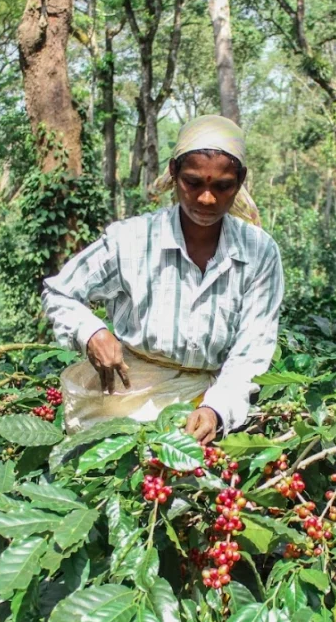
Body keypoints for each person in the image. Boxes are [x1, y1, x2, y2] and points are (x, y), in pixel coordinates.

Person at [42, 115, 284, 443]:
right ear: (173, 173)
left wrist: (216, 409)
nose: (207, 198)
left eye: (222, 186)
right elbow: (59, 293)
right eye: (193, 183)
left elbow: (252, 349)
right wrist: (90, 332)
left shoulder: (258, 252)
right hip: (123, 402)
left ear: (240, 180)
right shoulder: (131, 240)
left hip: (208, 403)